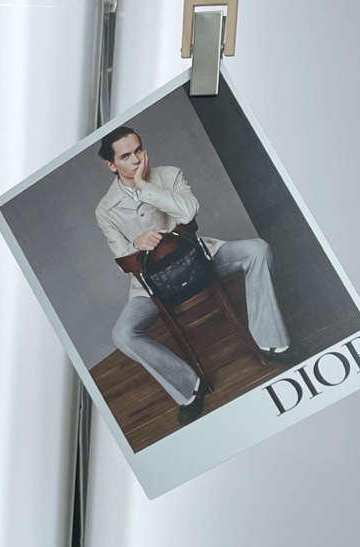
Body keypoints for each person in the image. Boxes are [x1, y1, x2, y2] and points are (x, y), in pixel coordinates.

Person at [95, 126, 289, 425]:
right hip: (152, 286)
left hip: (201, 261)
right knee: (122, 334)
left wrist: (143, 185)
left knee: (257, 249)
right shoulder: (105, 210)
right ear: (111, 164)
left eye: (139, 150)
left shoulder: (170, 175)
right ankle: (189, 388)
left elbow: (188, 211)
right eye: (125, 156)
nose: (136, 160)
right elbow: (121, 257)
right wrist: (137, 242)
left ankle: (272, 342)